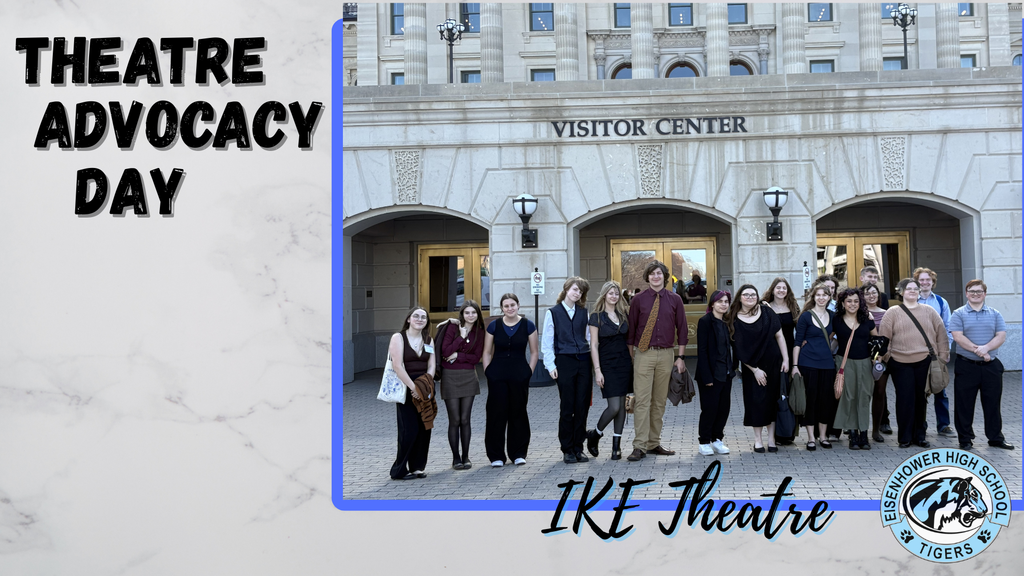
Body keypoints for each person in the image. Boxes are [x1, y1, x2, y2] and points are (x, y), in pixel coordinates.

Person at [626, 260, 688, 461]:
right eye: (652, 273)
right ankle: (639, 446)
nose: (655, 276)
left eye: (659, 273)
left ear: (665, 276)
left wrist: (680, 357)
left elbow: (683, 328)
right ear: (647, 277)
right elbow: (632, 330)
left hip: (667, 354)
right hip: (644, 353)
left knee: (659, 401)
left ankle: (653, 443)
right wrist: (632, 356)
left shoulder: (675, 299)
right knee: (642, 400)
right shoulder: (638, 300)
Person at [876, 278, 949, 448]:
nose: (913, 291)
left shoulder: (929, 311)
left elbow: (941, 334)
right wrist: (886, 357)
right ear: (901, 292)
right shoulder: (892, 312)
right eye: (909, 289)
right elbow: (884, 338)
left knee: (921, 399)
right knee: (904, 399)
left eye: (915, 289)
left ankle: (920, 436)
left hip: (924, 361)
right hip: (899, 362)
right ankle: (905, 437)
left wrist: (943, 355)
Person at [950, 280, 1014, 451]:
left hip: (991, 366)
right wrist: (979, 351)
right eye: (972, 291)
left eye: (979, 291)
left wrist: (986, 349)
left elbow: (1001, 336)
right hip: (966, 366)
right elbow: (958, 337)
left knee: (993, 404)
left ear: (985, 294)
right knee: (964, 405)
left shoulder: (995, 314)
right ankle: (965, 440)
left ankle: (995, 438)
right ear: (966, 293)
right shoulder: (958, 314)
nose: (975, 294)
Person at [728, 284, 789, 453]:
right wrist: (755, 370)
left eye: (753, 294)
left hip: (774, 364)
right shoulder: (734, 319)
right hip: (752, 369)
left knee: (771, 400)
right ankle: (758, 441)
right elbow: (739, 350)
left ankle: (771, 440)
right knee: (755, 402)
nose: (750, 297)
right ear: (740, 297)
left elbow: (780, 335)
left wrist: (786, 359)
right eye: (746, 295)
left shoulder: (767, 312)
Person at [482, 293, 539, 467]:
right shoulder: (494, 326)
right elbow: (486, 352)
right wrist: (488, 372)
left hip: (519, 375)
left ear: (518, 305)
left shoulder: (528, 325)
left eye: (512, 305)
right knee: (496, 414)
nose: (510, 308)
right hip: (497, 375)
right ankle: (496, 455)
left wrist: (528, 372)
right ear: (502, 308)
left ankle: (518, 453)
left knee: (518, 412)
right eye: (506, 306)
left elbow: (535, 352)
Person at [542, 277, 593, 464]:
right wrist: (551, 366)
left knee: (582, 406)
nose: (577, 293)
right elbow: (547, 343)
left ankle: (579, 448)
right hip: (564, 361)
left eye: (580, 291)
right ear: (566, 290)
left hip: (583, 361)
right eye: (574, 289)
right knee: (567, 407)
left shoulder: (584, 312)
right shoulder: (553, 313)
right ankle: (567, 449)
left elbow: (588, 337)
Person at [586, 281, 633, 460]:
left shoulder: (623, 315)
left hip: (624, 364)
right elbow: (594, 345)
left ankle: (616, 447)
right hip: (607, 365)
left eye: (617, 294)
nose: (614, 296)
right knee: (613, 407)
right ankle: (595, 434)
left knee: (622, 406)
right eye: (611, 293)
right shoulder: (596, 317)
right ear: (604, 294)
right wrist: (597, 370)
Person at [388, 306, 437, 480]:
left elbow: (431, 366)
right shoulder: (398, 338)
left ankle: (417, 467)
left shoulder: (428, 340)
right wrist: (413, 388)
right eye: (416, 316)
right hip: (406, 388)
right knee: (409, 430)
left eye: (423, 317)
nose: (419, 319)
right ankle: (399, 470)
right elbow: (397, 366)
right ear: (409, 319)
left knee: (425, 427)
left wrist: (425, 385)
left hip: (424, 389)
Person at [439, 299, 485, 470]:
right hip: (449, 376)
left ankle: (466, 456)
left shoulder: (480, 332)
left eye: (473, 312)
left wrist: (458, 356)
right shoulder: (453, 328)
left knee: (465, 419)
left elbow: (476, 357)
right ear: (462, 314)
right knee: (455, 419)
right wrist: (461, 337)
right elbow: (445, 351)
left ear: (477, 314)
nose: (470, 315)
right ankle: (455, 458)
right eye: (467, 312)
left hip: (468, 376)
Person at [792, 282, 837, 450]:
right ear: (813, 297)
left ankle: (823, 436)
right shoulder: (806, 316)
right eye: (818, 295)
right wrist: (795, 365)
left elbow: (841, 332)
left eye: (824, 295)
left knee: (826, 400)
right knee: (810, 400)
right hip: (807, 363)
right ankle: (811, 437)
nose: (821, 298)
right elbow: (797, 342)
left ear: (829, 297)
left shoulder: (833, 316)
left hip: (827, 364)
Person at [832, 288, 878, 450]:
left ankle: (864, 434)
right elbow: (826, 339)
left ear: (861, 303)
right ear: (843, 303)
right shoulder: (836, 320)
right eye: (849, 301)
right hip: (845, 364)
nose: (853, 304)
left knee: (864, 397)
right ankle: (852, 434)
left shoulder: (867, 319)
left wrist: (878, 357)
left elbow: (876, 340)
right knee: (849, 398)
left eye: (856, 301)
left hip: (865, 363)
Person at [913, 267, 954, 438]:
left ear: (933, 282)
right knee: (919, 391)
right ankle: (920, 424)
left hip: (936, 353)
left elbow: (948, 328)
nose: (924, 283)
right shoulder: (911, 300)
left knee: (939, 389)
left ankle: (943, 425)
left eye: (928, 280)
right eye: (921, 280)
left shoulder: (941, 301)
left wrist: (946, 350)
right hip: (915, 352)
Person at [695, 290, 735, 456]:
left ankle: (717, 439)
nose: (723, 304)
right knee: (710, 409)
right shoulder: (705, 321)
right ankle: (704, 441)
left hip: (726, 373)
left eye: (726, 301)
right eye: (720, 301)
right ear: (712, 304)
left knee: (723, 408)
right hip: (710, 374)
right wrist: (707, 377)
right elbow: (702, 351)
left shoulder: (727, 322)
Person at [762, 277, 799, 445]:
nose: (781, 291)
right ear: (773, 289)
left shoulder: (793, 307)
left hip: (789, 354)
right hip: (772, 354)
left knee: (788, 392)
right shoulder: (765, 307)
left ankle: (788, 432)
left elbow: (800, 328)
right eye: (778, 288)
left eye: (784, 288)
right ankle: (775, 433)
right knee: (776, 392)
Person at [862, 283, 893, 441]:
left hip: (882, 359)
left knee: (879, 392)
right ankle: (859, 428)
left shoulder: (887, 313)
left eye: (874, 293)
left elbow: (891, 336)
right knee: (861, 394)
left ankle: (876, 430)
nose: (871, 296)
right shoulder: (859, 313)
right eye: (867, 293)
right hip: (861, 357)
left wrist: (885, 354)